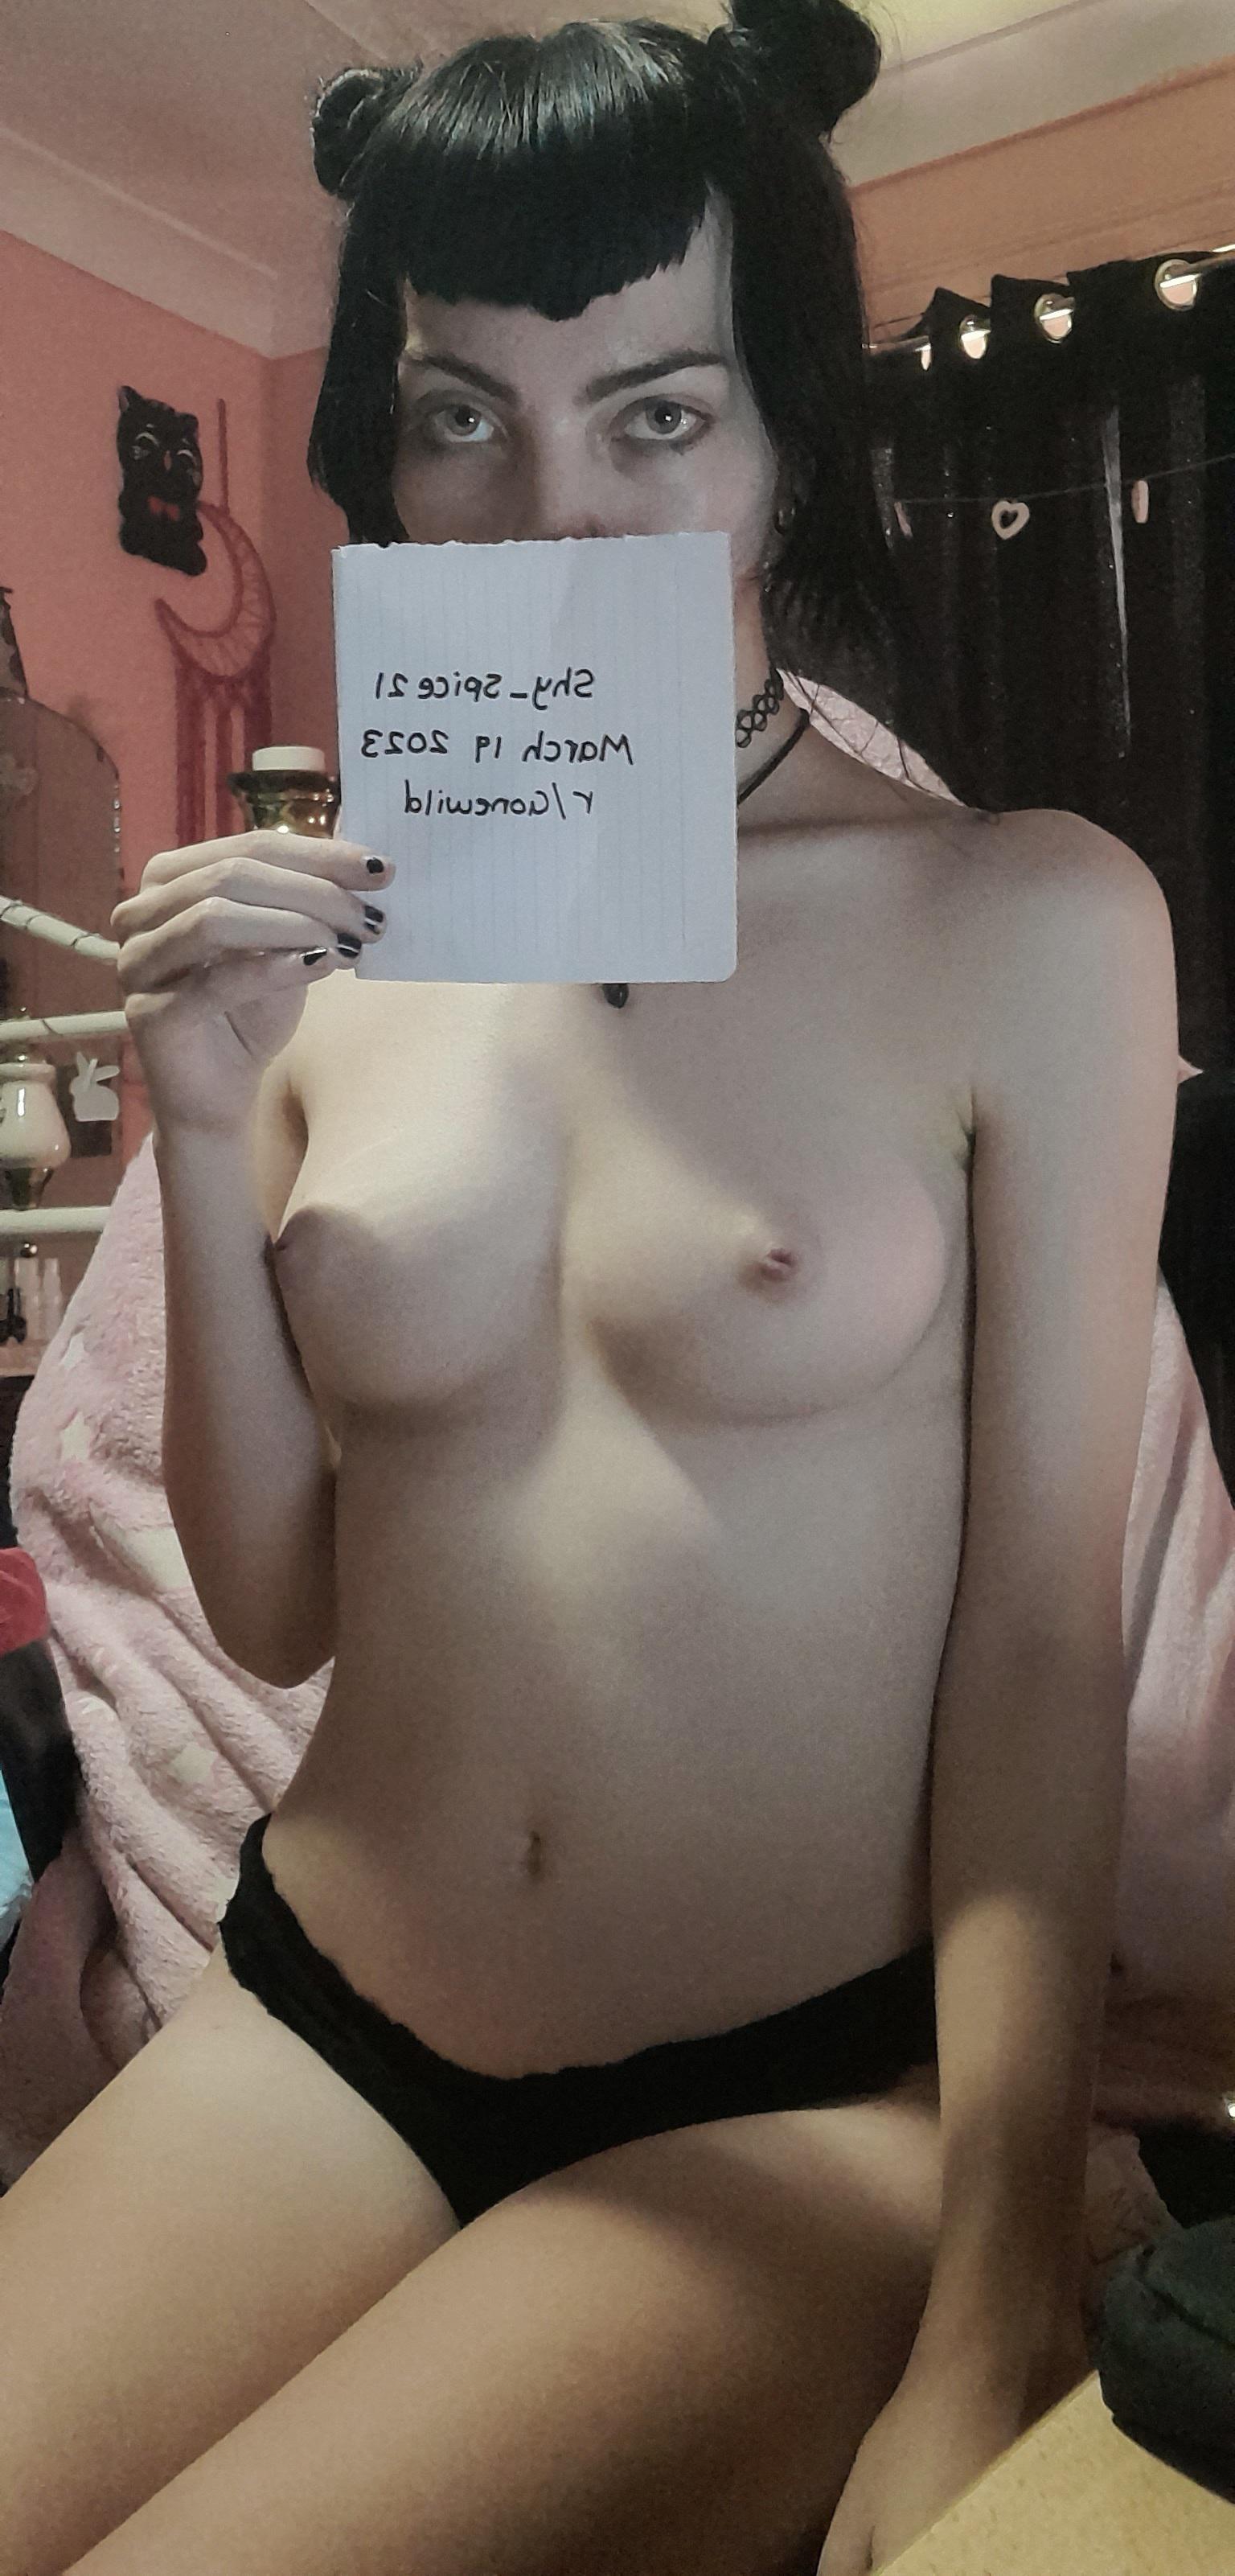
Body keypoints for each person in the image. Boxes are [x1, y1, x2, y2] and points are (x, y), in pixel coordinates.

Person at [0, 7, 1181, 2573]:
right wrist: (194, 1117)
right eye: (463, 418)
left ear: (785, 438)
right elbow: (274, 1599)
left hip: (783, 2083)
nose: (551, 508)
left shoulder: (1025, 923)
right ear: (384, 448)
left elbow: (1035, 1645)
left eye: (655, 414)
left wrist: (996, 2296)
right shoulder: (344, 956)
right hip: (326, 2010)